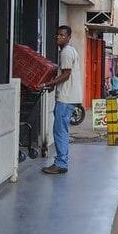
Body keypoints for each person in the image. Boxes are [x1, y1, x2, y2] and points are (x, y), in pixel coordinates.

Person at [40, 25, 82, 175]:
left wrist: (47, 84)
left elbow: (66, 75)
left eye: (63, 35)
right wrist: (53, 86)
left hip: (66, 98)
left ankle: (61, 163)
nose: (59, 37)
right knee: (61, 130)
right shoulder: (69, 51)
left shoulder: (66, 53)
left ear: (69, 37)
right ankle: (61, 161)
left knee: (59, 131)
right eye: (58, 35)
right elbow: (64, 76)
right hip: (67, 97)